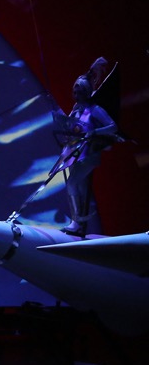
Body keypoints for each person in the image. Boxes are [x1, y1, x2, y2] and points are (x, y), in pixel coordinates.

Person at [54, 58, 122, 236]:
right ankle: (79, 224)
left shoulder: (95, 110)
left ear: (86, 92)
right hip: (75, 152)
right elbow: (72, 126)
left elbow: (113, 126)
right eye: (74, 90)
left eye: (79, 91)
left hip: (89, 154)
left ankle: (76, 222)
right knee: (80, 188)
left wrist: (95, 132)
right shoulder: (76, 108)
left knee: (72, 183)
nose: (76, 94)